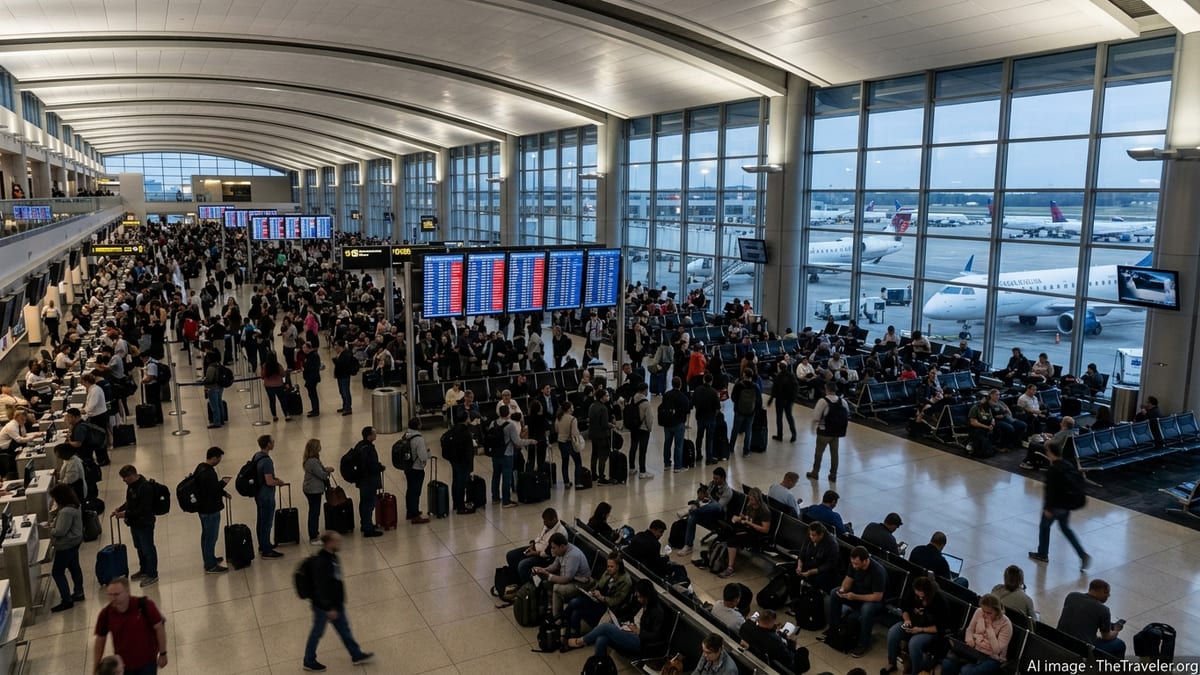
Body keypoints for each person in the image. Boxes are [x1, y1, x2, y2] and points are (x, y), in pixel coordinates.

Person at [303, 531, 375, 671]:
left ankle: (356, 654)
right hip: (324, 607)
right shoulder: (322, 562)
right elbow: (320, 588)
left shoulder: (332, 557)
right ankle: (309, 660)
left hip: (335, 604)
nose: (340, 543)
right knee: (317, 633)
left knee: (344, 630)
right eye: (337, 541)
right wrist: (329, 608)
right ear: (329, 543)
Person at [564, 579, 668, 661]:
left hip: (641, 641)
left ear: (647, 595)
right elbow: (632, 616)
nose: (638, 599)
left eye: (640, 597)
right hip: (629, 630)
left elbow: (656, 635)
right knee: (601, 639)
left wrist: (639, 632)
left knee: (605, 627)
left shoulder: (657, 611)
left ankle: (581, 641)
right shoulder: (641, 603)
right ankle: (600, 668)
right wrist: (623, 623)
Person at [1028, 436, 1089, 570]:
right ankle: (1081, 553)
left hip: (1055, 505)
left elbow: (1050, 491)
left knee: (1044, 527)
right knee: (1066, 529)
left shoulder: (1053, 470)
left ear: (1050, 453)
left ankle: (1042, 554)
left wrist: (1048, 508)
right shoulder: (1068, 465)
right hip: (1066, 505)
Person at [92, 577, 167, 675]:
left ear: (127, 591)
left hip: (147, 663)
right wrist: (95, 667)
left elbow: (159, 628)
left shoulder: (145, 605)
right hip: (123, 667)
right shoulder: (105, 614)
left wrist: (163, 654)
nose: (113, 598)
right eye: (110, 595)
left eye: (116, 594)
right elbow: (100, 640)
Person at [826, 546, 886, 657]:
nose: (854, 566)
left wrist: (855, 597)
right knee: (835, 593)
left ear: (865, 560)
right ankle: (834, 628)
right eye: (852, 563)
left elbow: (877, 597)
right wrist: (843, 590)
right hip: (856, 594)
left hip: (872, 600)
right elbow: (848, 580)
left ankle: (863, 643)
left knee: (866, 609)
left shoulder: (877, 572)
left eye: (856, 564)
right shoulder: (854, 564)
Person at [883, 576, 949, 674]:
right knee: (893, 632)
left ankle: (915, 672)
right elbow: (904, 608)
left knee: (914, 643)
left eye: (922, 597)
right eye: (918, 596)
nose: (920, 598)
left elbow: (940, 627)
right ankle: (892, 663)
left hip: (928, 630)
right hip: (912, 623)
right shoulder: (913, 592)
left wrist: (920, 630)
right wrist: (907, 620)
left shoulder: (940, 602)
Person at [561, 550, 633, 638]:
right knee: (574, 602)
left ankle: (565, 626)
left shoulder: (625, 581)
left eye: (611, 566)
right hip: (596, 600)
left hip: (607, 608)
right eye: (608, 566)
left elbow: (617, 601)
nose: (608, 568)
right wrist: (592, 592)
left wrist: (602, 597)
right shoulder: (608, 572)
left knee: (576, 607)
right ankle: (568, 632)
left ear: (618, 566)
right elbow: (598, 585)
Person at [940, 594, 1013, 675]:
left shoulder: (1006, 624)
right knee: (948, 662)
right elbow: (970, 630)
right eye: (983, 611)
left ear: (997, 611)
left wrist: (989, 628)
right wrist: (970, 640)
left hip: (993, 658)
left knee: (966, 671)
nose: (985, 615)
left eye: (989, 613)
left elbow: (997, 650)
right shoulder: (979, 611)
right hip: (975, 649)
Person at [113, 465, 159, 587]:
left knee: (148, 548)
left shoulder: (145, 487)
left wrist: (125, 514)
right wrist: (121, 508)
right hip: (135, 523)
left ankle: (152, 574)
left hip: (145, 523)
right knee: (139, 547)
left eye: (125, 478)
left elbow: (144, 509)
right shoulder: (132, 486)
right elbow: (131, 501)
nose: (124, 480)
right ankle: (144, 569)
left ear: (133, 475)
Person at [1057, 579, 1125, 658]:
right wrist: (1116, 630)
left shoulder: (1072, 596)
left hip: (1059, 639)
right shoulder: (1103, 609)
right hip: (1081, 649)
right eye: (1106, 593)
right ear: (1101, 591)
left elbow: (1083, 617)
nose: (1108, 596)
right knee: (1119, 644)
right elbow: (1106, 637)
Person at [674, 466, 733, 557]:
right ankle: (688, 545)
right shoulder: (712, 484)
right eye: (713, 478)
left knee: (715, 505)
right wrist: (700, 499)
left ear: (723, 478)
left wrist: (709, 498)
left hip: (719, 516)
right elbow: (704, 497)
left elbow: (719, 506)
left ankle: (690, 511)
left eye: (716, 478)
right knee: (693, 517)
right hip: (706, 511)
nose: (714, 480)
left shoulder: (727, 492)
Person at [533, 532, 591, 621]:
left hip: (581, 583)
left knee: (556, 588)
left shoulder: (573, 556)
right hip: (571, 579)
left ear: (562, 546)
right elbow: (555, 566)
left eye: (554, 548)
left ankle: (556, 618)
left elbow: (566, 579)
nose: (552, 550)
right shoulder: (561, 551)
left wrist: (548, 576)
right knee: (546, 582)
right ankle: (549, 608)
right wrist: (543, 569)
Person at [192, 446, 231, 573]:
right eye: (219, 458)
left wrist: (223, 492)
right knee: (211, 537)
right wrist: (223, 483)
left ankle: (209, 558)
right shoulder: (209, 473)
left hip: (202, 509)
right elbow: (213, 490)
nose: (219, 461)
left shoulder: (200, 468)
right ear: (214, 458)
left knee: (205, 536)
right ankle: (210, 565)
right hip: (210, 510)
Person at [717, 487, 770, 578]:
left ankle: (730, 568)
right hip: (748, 529)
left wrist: (750, 523)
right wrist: (741, 518)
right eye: (750, 499)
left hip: (757, 535)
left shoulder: (764, 511)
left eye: (752, 500)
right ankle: (720, 558)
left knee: (732, 541)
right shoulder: (750, 505)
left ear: (758, 499)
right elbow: (748, 517)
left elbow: (765, 529)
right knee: (727, 530)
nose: (750, 501)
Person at [504, 507, 567, 584]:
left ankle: (528, 587)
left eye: (546, 521)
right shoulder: (548, 525)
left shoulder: (560, 533)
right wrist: (532, 543)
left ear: (554, 519)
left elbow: (551, 553)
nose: (544, 523)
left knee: (522, 565)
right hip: (535, 548)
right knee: (511, 555)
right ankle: (517, 579)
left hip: (544, 558)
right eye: (544, 521)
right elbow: (540, 537)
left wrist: (535, 553)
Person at [49, 483, 85, 612]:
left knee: (57, 572)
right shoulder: (75, 505)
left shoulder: (65, 512)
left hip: (65, 545)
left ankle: (66, 599)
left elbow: (60, 531)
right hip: (75, 542)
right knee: (74, 566)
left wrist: (50, 528)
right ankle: (79, 592)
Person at [490, 405, 535, 508]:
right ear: (508, 414)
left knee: (496, 475)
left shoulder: (493, 423)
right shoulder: (510, 426)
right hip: (507, 454)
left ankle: (495, 498)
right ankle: (506, 501)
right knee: (507, 477)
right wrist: (530, 441)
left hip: (495, 454)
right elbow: (517, 441)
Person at [251, 435, 289, 557]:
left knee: (261, 520)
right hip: (266, 495)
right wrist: (279, 482)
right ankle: (267, 549)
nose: (274, 443)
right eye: (272, 441)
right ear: (268, 444)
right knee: (266, 522)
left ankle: (263, 544)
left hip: (258, 493)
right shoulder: (267, 461)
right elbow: (268, 481)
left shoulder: (257, 456)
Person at [808, 382, 849, 481]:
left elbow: (816, 417)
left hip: (824, 432)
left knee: (819, 453)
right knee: (834, 454)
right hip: (836, 433)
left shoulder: (823, 401)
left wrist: (813, 428)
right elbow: (847, 413)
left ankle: (815, 472)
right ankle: (833, 475)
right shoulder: (842, 401)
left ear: (826, 389)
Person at [352, 427, 385, 535]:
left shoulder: (360, 445)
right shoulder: (368, 449)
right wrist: (380, 467)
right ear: (369, 436)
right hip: (369, 481)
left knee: (364, 503)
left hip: (362, 480)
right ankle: (368, 528)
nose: (376, 435)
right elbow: (371, 466)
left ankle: (365, 524)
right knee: (369, 504)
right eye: (374, 433)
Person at [792, 521, 841, 593]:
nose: (811, 537)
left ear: (821, 535)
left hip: (823, 571)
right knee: (793, 569)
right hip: (810, 564)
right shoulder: (810, 536)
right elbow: (802, 553)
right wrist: (799, 566)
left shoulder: (832, 544)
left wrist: (812, 572)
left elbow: (830, 565)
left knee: (817, 579)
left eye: (814, 535)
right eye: (810, 535)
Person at [302, 439, 335, 543]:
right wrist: (328, 471)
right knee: (314, 512)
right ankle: (313, 536)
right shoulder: (313, 461)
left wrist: (324, 469)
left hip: (311, 488)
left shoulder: (310, 460)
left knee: (314, 511)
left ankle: (314, 533)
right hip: (313, 490)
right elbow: (322, 475)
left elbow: (318, 471)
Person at [399, 418, 431, 524]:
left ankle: (410, 511)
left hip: (408, 466)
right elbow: (422, 456)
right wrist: (428, 455)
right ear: (418, 426)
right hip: (417, 468)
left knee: (410, 490)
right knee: (416, 492)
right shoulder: (419, 439)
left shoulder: (406, 435)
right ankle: (415, 515)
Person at [440, 420, 476, 513]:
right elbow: (469, 451)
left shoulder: (452, 430)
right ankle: (461, 507)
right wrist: (470, 464)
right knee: (462, 484)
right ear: (466, 420)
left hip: (453, 460)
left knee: (455, 481)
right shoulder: (466, 433)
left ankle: (456, 503)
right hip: (463, 462)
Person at [661, 376, 691, 472]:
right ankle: (677, 466)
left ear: (672, 384)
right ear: (680, 385)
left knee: (667, 443)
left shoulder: (666, 395)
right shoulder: (683, 397)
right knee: (678, 445)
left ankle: (667, 463)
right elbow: (687, 410)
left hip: (667, 422)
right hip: (679, 423)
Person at [728, 369, 761, 457]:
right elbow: (759, 401)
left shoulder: (739, 385)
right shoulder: (755, 386)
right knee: (748, 431)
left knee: (735, 429)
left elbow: (733, 397)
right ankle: (746, 451)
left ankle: (731, 448)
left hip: (739, 411)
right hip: (750, 412)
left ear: (744, 375)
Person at [692, 373, 721, 464]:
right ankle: (709, 457)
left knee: (699, 437)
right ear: (711, 381)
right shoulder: (714, 392)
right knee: (709, 438)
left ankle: (698, 454)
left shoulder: (697, 390)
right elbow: (718, 407)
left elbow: (692, 403)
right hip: (710, 418)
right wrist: (714, 415)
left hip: (700, 417)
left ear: (703, 380)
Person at [554, 401, 585, 487]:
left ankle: (566, 482)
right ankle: (578, 483)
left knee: (565, 462)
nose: (573, 409)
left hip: (561, 442)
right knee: (578, 462)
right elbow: (574, 433)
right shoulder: (572, 419)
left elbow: (556, 430)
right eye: (572, 407)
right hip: (569, 442)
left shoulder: (558, 418)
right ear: (568, 409)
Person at [625, 382, 653, 478]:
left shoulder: (632, 399)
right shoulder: (646, 403)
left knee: (633, 447)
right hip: (643, 429)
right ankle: (642, 471)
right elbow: (649, 419)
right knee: (642, 450)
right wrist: (649, 429)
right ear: (645, 390)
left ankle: (632, 468)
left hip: (634, 427)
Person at [769, 360, 799, 442]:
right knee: (789, 417)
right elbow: (796, 386)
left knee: (779, 418)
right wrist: (793, 398)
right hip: (789, 400)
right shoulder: (791, 375)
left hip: (780, 399)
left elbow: (774, 389)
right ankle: (794, 434)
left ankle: (780, 435)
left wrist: (771, 399)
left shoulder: (778, 377)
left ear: (779, 368)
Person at [587, 388, 613, 483]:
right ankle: (601, 477)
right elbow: (604, 425)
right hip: (602, 435)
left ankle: (594, 474)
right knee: (603, 456)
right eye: (606, 395)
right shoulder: (603, 408)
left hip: (593, 434)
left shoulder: (592, 406)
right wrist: (611, 425)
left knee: (594, 454)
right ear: (602, 397)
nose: (608, 397)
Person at [259, 352, 288, 422]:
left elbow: (262, 376)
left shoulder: (265, 366)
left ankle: (274, 415)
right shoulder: (278, 366)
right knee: (282, 400)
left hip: (269, 386)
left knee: (272, 401)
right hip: (279, 385)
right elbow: (283, 374)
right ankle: (286, 414)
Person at [332, 340, 357, 416]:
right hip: (340, 376)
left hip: (344, 376)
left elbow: (343, 365)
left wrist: (336, 361)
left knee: (345, 391)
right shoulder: (339, 354)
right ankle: (344, 406)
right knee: (342, 391)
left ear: (341, 346)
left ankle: (348, 408)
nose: (335, 347)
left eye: (336, 345)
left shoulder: (346, 355)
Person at [201, 351, 226, 428]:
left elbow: (209, 379)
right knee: (219, 403)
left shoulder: (211, 367)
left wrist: (204, 381)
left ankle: (216, 422)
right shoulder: (219, 365)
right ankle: (222, 419)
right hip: (220, 387)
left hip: (213, 388)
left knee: (214, 406)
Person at [302, 341, 322, 417]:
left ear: (309, 348)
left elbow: (313, 367)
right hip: (309, 377)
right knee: (311, 394)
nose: (303, 349)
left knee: (313, 394)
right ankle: (314, 408)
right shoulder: (308, 356)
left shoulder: (314, 356)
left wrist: (305, 369)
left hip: (312, 378)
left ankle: (316, 410)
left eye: (304, 347)